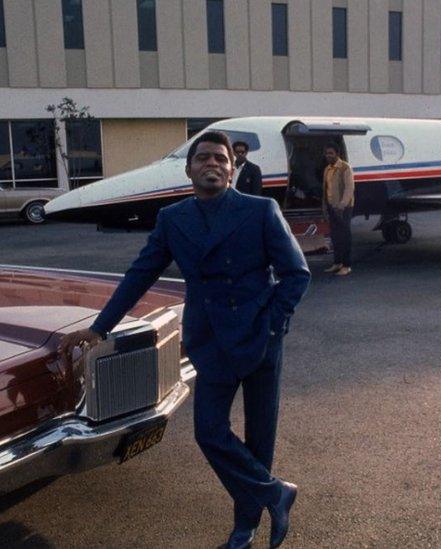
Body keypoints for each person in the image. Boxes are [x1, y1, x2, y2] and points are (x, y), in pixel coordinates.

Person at [58, 131, 310, 549]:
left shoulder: (261, 210)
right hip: (210, 342)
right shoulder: (173, 219)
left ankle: (244, 528)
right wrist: (99, 327)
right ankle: (274, 493)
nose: (212, 163)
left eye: (221, 159)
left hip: (260, 341)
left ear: (233, 170)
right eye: (204, 157)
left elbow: (296, 274)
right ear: (189, 168)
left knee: (259, 438)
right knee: (209, 432)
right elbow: (140, 274)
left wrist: (272, 326)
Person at [322, 144, 354, 276]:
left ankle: (346, 265)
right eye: (327, 153)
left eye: (331, 153)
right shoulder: (327, 169)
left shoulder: (345, 168)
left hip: (343, 208)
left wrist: (342, 205)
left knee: (345, 236)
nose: (328, 156)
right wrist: (325, 206)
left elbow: (349, 188)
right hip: (331, 206)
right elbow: (325, 189)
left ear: (337, 154)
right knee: (335, 236)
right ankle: (337, 263)